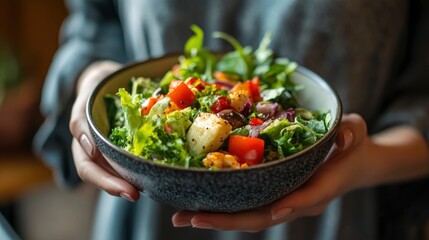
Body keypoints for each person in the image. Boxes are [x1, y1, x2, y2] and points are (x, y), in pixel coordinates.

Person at [34, 0, 429, 239]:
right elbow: (96, 25)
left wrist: (368, 160)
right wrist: (93, 83)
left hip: (339, 217)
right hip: (148, 207)